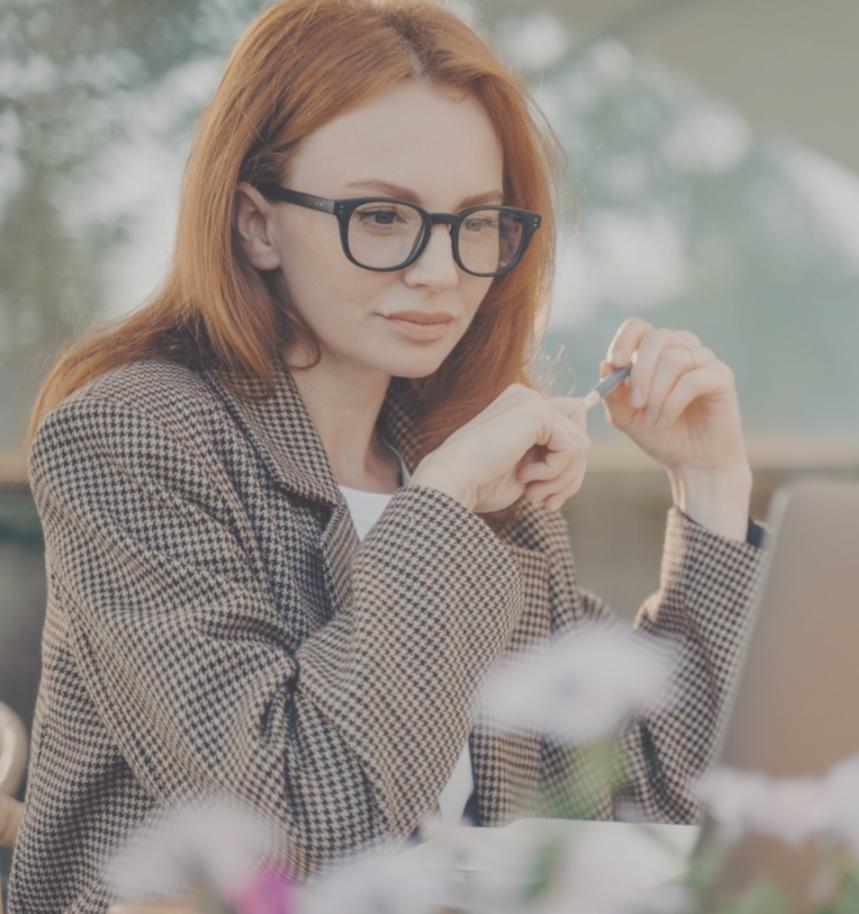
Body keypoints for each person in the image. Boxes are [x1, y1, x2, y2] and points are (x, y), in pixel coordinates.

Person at [9, 1, 769, 910]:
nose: (441, 273)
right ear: (256, 223)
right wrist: (441, 507)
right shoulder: (132, 438)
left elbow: (648, 805)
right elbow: (292, 828)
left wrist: (711, 485)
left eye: (476, 223)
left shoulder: (467, 464)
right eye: (381, 217)